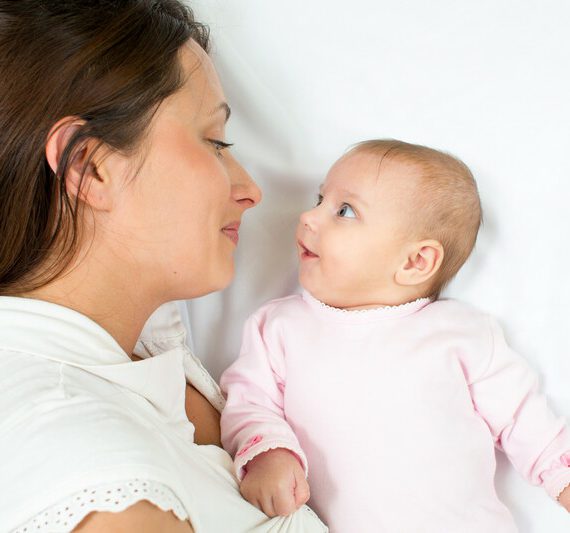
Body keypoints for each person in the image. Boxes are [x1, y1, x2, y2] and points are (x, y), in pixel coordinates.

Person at [0, 1, 328, 532]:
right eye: (215, 141)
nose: (250, 189)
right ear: (90, 167)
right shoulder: (96, 483)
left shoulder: (142, 337)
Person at [220, 139, 570, 532]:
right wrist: (270, 453)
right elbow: (248, 404)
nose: (308, 216)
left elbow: (525, 420)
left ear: (416, 261)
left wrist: (563, 481)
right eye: (319, 198)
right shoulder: (279, 327)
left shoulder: (460, 334)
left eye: (344, 211)